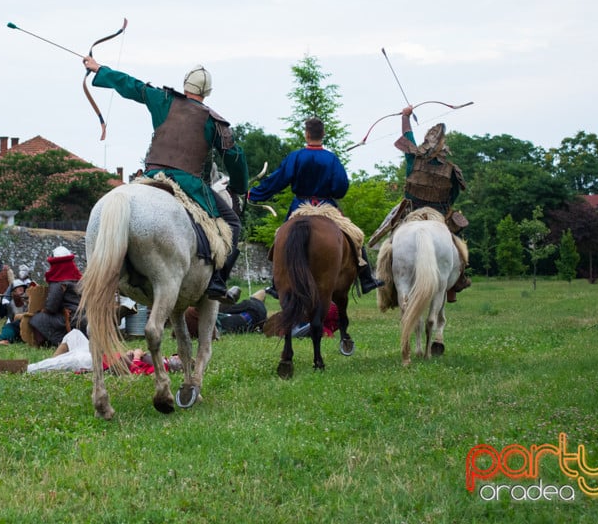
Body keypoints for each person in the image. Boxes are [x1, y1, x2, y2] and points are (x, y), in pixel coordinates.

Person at [83, 55, 249, 303]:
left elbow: (132, 85)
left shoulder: (163, 99)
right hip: (189, 185)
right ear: (208, 93)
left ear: (185, 85)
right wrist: (239, 187)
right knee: (233, 223)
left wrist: (100, 69)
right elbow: (235, 158)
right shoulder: (214, 122)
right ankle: (217, 282)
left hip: (152, 176)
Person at [247, 117, 384, 294]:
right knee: (355, 235)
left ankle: (276, 283)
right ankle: (366, 279)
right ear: (323, 134)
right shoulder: (331, 159)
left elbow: (277, 180)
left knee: (280, 236)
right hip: (326, 206)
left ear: (306, 134)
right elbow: (340, 188)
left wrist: (254, 194)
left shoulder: (295, 157)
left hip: (300, 205)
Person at [396, 105, 471, 301]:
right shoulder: (451, 170)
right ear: (444, 148)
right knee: (459, 249)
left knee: (388, 243)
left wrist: (405, 116)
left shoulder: (413, 159)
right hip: (438, 217)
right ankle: (455, 283)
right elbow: (453, 197)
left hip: (411, 214)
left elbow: (407, 135)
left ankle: (383, 279)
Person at [0, 328, 182, 375]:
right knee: (75, 334)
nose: (176, 356)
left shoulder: (159, 369)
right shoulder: (159, 360)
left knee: (76, 358)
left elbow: (130, 373)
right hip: (102, 355)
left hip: (98, 364)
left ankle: (1, 368)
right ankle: (52, 365)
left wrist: (136, 356)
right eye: (178, 356)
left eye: (179, 360)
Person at [27, 246, 85, 347]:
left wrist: (43, 310)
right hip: (83, 316)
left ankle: (44, 343)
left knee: (37, 318)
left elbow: (52, 307)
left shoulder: (59, 282)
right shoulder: (79, 279)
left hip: (70, 319)